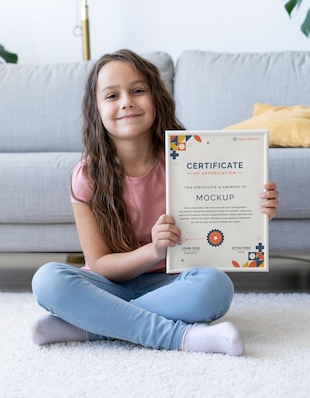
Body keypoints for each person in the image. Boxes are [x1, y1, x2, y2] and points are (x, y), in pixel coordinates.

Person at [31, 49, 279, 355]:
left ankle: (90, 326)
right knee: (48, 280)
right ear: (95, 109)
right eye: (112, 96)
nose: (126, 102)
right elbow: (100, 264)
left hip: (171, 285)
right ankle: (181, 338)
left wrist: (252, 214)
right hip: (107, 285)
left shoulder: (191, 158)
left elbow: (218, 235)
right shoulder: (87, 175)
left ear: (156, 99)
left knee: (216, 286)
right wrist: (153, 250)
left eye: (137, 91)